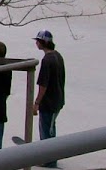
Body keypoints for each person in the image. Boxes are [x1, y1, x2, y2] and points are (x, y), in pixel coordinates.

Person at [33, 30, 65, 168]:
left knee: (47, 131)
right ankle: (49, 157)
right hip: (57, 100)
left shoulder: (47, 60)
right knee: (49, 128)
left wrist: (36, 103)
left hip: (49, 103)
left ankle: (50, 160)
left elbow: (43, 85)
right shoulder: (58, 56)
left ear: (42, 42)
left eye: (37, 41)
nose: (36, 43)